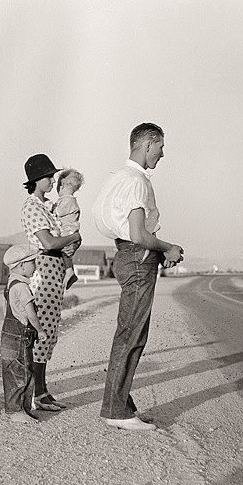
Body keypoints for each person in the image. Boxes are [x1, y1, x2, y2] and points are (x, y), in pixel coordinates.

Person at [92, 123, 184, 431]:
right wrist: (168, 247)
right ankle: (115, 409)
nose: (162, 153)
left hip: (127, 255)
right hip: (137, 256)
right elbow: (138, 234)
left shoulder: (120, 178)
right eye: (160, 147)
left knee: (129, 331)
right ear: (147, 144)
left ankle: (121, 403)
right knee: (132, 333)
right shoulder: (137, 182)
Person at [20, 154, 82, 412]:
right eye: (47, 176)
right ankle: (37, 393)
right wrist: (74, 237)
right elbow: (48, 242)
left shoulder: (49, 206)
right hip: (43, 269)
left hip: (54, 270)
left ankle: (42, 391)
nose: (52, 180)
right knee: (41, 333)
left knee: (49, 332)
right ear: (35, 180)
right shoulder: (32, 206)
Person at [0, 244, 47, 424]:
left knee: (15, 370)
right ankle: (16, 410)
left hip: (8, 333)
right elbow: (30, 312)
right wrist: (40, 330)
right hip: (19, 335)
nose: (35, 265)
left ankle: (22, 408)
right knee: (22, 372)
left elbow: (5, 310)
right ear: (21, 266)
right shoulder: (22, 287)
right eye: (32, 262)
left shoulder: (10, 283)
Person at [53, 168, 85, 290]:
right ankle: (69, 271)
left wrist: (51, 208)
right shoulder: (68, 200)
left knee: (64, 253)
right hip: (71, 233)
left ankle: (69, 271)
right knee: (65, 254)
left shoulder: (68, 200)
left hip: (69, 233)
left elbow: (58, 212)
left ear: (63, 186)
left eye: (59, 187)